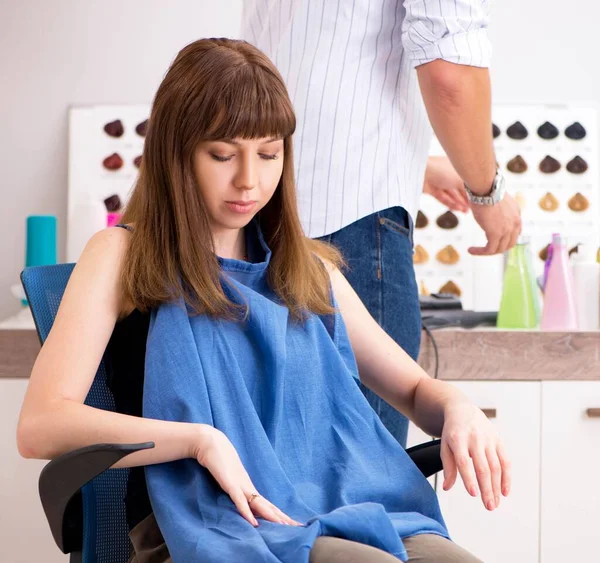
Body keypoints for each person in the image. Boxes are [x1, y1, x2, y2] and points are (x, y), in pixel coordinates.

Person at [17, 38, 509, 563]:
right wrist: (197, 440)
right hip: (207, 524)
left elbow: (411, 388)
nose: (249, 180)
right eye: (223, 154)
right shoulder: (122, 254)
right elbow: (41, 424)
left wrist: (457, 406)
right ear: (174, 151)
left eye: (269, 154)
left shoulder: (307, 269)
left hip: (346, 510)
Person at [241, 0, 522, 448]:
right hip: (351, 227)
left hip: (257, 219)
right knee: (364, 477)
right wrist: (486, 189)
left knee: (280, 475)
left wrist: (418, 165)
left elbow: (307, 54)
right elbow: (449, 71)